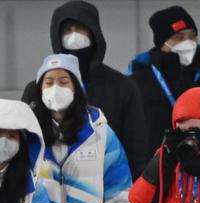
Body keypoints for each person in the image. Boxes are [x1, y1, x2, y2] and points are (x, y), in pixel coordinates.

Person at [20, 1, 147, 180]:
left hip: (108, 185)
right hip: (48, 187)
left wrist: (134, 192)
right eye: (67, 30)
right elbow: (24, 146)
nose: (74, 36)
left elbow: (136, 149)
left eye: (80, 28)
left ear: (94, 32)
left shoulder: (122, 87)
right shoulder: (36, 91)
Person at [31, 54, 132, 203]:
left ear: (76, 87)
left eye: (63, 82)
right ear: (40, 89)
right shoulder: (29, 135)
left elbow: (118, 192)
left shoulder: (100, 133)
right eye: (49, 82)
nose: (55, 88)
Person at [128, 6, 200, 156]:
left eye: (192, 36)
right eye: (179, 37)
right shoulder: (138, 84)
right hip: (156, 165)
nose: (188, 42)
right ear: (162, 43)